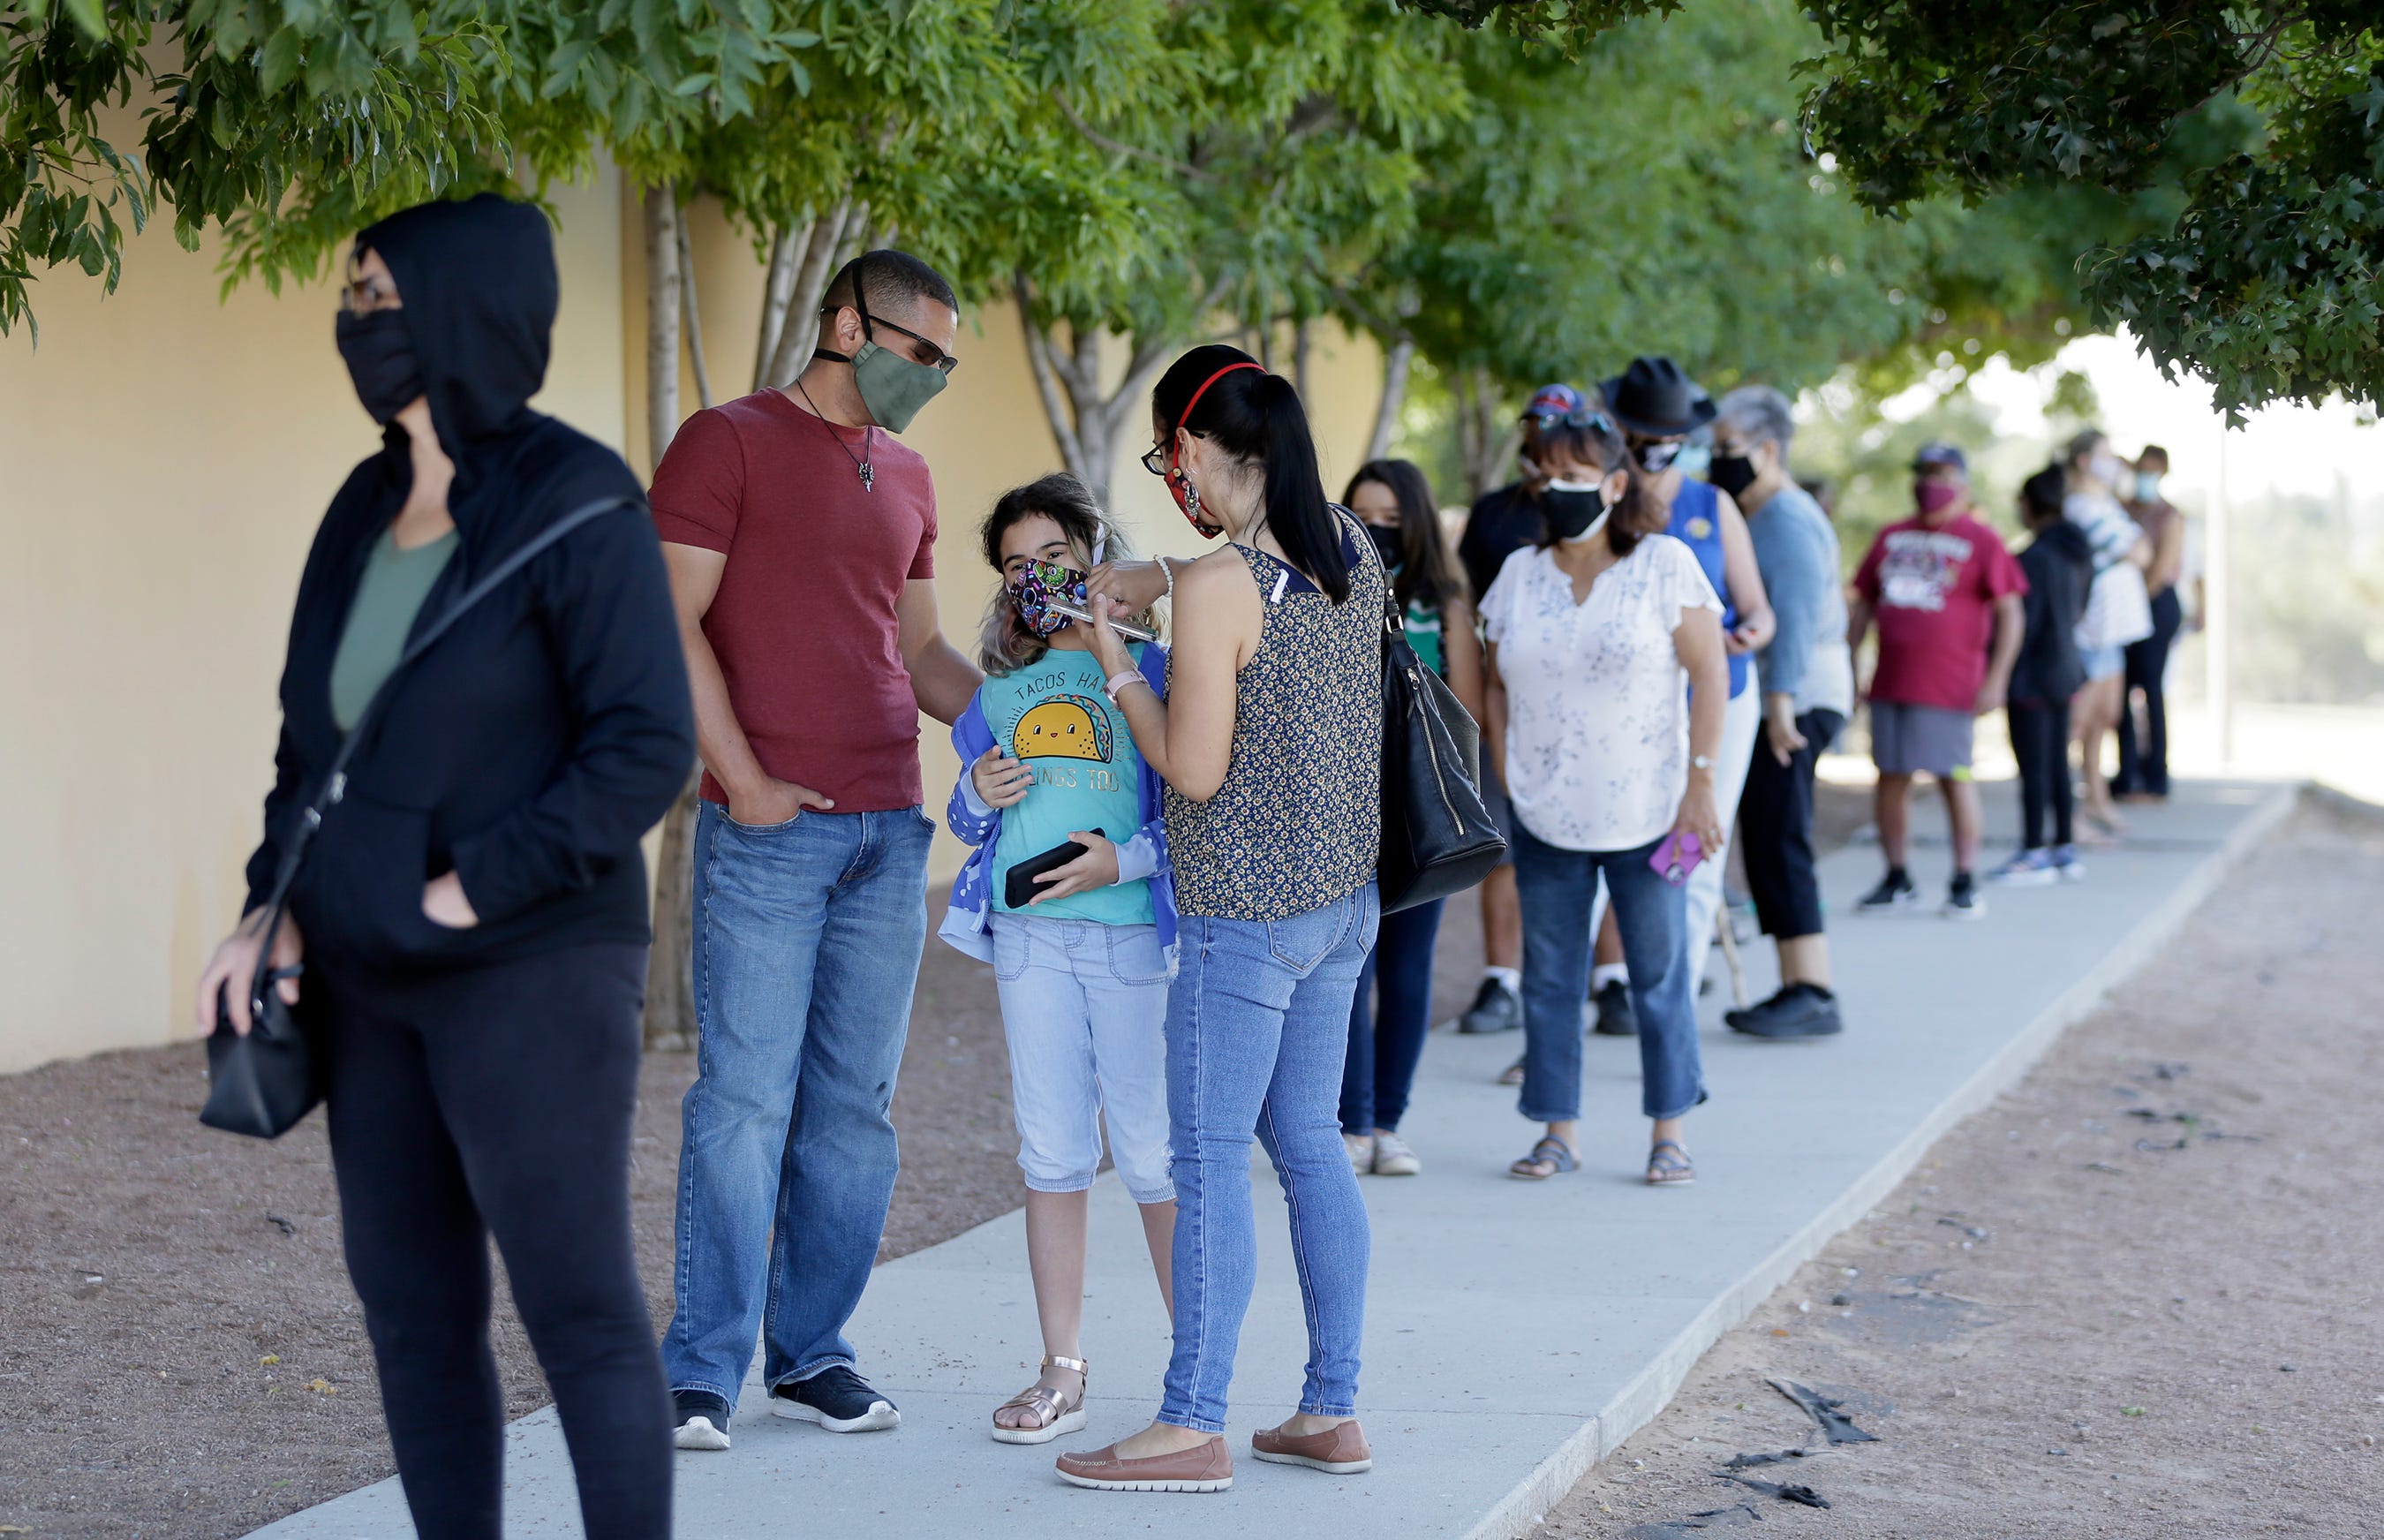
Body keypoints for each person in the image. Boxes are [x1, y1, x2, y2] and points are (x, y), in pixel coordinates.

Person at [193, 195, 697, 1540]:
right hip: (364, 979)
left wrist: (469, 887)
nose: (357, 322)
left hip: (531, 966)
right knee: (414, 1317)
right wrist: (270, 914)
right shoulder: (362, 505)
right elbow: (310, 750)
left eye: (380, 297)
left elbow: (647, 743)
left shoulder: (578, 500)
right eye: (354, 299)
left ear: (461, 308)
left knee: (578, 1307)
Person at [650, 249, 980, 1451]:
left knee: (853, 1112)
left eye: (946, 361)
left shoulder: (910, 473)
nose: (932, 377)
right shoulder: (725, 442)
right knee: (742, 1102)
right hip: (771, 834)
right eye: (918, 352)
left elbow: (926, 653)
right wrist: (741, 784)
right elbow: (664, 613)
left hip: (890, 832)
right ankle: (701, 1369)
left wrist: (1035, 721)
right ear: (847, 323)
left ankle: (812, 1357)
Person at [1056, 345, 1384, 1493]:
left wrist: (1115, 659)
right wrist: (1157, 581)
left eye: (1165, 457)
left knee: (1205, 1158)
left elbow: (1191, 771)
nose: (1167, 477)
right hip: (1345, 906)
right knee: (1307, 1145)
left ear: (1194, 450)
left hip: (1248, 916)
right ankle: (1331, 1409)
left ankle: (1192, 1420)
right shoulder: (1351, 547)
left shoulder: (1217, 588)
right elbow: (1264, 644)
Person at [932, 474, 1179, 1445]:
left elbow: (1198, 809)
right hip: (1029, 940)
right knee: (1053, 1153)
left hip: (1129, 942)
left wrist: (1125, 859)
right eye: (1015, 567)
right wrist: (978, 791)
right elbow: (963, 817)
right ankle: (1061, 1370)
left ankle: (1192, 1369)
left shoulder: (1157, 671)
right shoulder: (997, 694)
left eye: (1052, 557)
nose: (1036, 578)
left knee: (1155, 1155)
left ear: (1094, 552)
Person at [1478, 404, 1728, 1187]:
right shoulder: (1517, 575)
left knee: (1658, 974)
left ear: (1616, 483)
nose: (1555, 488)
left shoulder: (1664, 565)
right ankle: (1558, 1132)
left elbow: (1711, 675)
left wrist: (1701, 787)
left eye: (1575, 476)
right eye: (1543, 472)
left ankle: (1669, 1131)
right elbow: (1492, 685)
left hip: (1653, 810)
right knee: (1551, 976)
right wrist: (1505, 768)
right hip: (1545, 810)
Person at [1601, 357, 1774, 1019]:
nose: (1655, 443)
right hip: (1631, 705)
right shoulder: (1606, 499)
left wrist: (1748, 634)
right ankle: (1612, 980)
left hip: (1719, 695)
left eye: (1667, 431)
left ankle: (1673, 998)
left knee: (1695, 845)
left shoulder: (1711, 503)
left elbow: (1756, 608)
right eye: (1642, 430)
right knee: (1616, 841)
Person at [1340, 458, 1482, 1178]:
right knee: (1350, 967)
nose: (1377, 533)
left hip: (1419, 814)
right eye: (1364, 518)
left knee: (1408, 968)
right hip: (1341, 809)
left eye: (1393, 522)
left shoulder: (1444, 603)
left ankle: (1389, 1122)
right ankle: (1352, 1123)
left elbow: (1470, 718)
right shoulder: (1324, 594)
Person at [1709, 386, 1854, 1040]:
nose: (1717, 461)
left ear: (1768, 449)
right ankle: (1798, 982)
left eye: (1727, 448)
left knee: (1781, 834)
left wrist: (1779, 707)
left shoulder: (1785, 519)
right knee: (1767, 836)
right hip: (1785, 696)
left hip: (1796, 699)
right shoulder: (1758, 515)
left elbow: (1793, 621)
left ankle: (1812, 987)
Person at [1451, 384, 1583, 1037]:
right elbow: (1473, 604)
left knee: (1586, 846)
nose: (1542, 443)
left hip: (1586, 715)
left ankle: (1606, 979)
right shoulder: (1494, 514)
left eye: (1557, 430)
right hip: (1509, 701)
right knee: (1504, 845)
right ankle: (1501, 979)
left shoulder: (1599, 507)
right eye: (1535, 430)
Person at [1848, 442, 2026, 919]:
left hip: (1951, 689)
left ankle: (1964, 879)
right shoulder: (1890, 536)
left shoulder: (1983, 541)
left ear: (1963, 484)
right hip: (1891, 683)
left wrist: (1996, 678)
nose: (1931, 483)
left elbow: (2011, 613)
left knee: (1955, 778)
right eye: (1924, 472)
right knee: (1890, 778)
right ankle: (1896, 876)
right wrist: (1851, 663)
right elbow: (1862, 603)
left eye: (1943, 474)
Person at [1990, 466, 2094, 885]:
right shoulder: (2077, 555)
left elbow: (2020, 623)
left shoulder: (2031, 560)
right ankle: (2063, 848)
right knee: (2056, 765)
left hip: (2031, 675)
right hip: (2066, 670)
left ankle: (2034, 850)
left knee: (2034, 766)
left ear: (2029, 505)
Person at [2059, 428, 2155, 839]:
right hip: (2091, 629)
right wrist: (2136, 549)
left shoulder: (2106, 504)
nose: (2114, 462)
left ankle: (2096, 799)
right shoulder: (2081, 507)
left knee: (2104, 720)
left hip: (2114, 629)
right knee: (2077, 724)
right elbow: (2137, 551)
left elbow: (2142, 551)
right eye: (2104, 454)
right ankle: (2066, 814)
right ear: (2084, 460)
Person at [2114, 444, 2188, 802]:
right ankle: (2126, 772)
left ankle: (2156, 775)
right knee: (2122, 689)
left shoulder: (2169, 516)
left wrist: (2131, 603)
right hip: (2127, 605)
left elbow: (2160, 571)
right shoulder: (2124, 509)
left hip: (2156, 606)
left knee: (2151, 690)